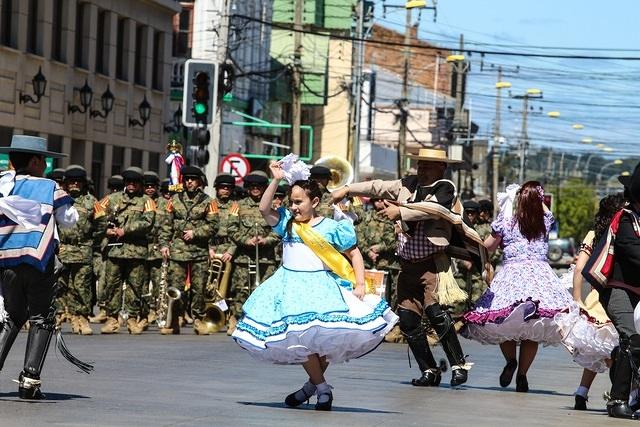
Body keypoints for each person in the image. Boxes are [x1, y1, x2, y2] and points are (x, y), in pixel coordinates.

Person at [232, 161, 397, 411]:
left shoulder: (331, 227)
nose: (294, 206)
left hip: (321, 286)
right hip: (290, 286)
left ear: (315, 202)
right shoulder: (287, 222)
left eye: (299, 202)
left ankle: (313, 387)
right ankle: (321, 389)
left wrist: (361, 283)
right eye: (292, 201)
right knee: (303, 338)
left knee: (323, 340)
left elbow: (354, 254)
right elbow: (264, 207)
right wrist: (275, 179)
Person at [331, 148, 488, 387]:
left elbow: (436, 210)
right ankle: (430, 370)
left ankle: (458, 364)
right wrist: (348, 188)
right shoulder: (408, 183)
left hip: (434, 265)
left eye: (428, 166)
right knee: (407, 320)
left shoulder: (445, 187)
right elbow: (378, 187)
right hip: (407, 265)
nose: (422, 170)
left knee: (437, 314)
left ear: (441, 168)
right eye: (420, 165)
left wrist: (400, 210)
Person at [463, 181, 573, 392]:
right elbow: (545, 209)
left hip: (511, 277)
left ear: (520, 201)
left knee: (502, 321)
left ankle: (511, 360)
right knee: (532, 329)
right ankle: (522, 375)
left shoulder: (507, 222)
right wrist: (535, 197)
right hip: (540, 279)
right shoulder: (544, 222)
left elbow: (487, 247)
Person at [0, 135, 79, 399]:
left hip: (6, 260)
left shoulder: (2, 183)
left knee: (11, 316)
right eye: (43, 160)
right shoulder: (49, 186)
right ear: (34, 161)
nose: (45, 165)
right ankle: (30, 381)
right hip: (37, 260)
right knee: (41, 318)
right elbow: (69, 220)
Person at [555, 194, 623, 410]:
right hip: (616, 297)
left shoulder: (594, 235)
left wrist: (577, 300)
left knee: (598, 350)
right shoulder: (623, 232)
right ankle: (620, 394)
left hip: (595, 300)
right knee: (615, 352)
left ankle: (581, 393)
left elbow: (580, 269)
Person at [595, 165, 640, 419]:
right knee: (631, 340)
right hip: (618, 289)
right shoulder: (625, 218)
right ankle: (617, 400)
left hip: (637, 291)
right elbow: (633, 252)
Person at [159, 166, 220, 335]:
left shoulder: (209, 201)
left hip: (198, 251)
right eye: (186, 179)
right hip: (178, 251)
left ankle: (198, 320)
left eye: (192, 179)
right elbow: (166, 225)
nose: (189, 182)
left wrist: (196, 233)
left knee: (198, 288)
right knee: (175, 287)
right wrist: (164, 244)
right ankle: (174, 320)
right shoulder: (174, 200)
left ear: (200, 181)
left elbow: (214, 226)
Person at [97, 167, 156, 334]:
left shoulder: (147, 201)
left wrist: (126, 230)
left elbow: (148, 222)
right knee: (112, 285)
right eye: (128, 182)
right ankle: (112, 319)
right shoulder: (111, 199)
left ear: (140, 184)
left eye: (135, 183)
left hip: (136, 251)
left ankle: (132, 319)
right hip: (115, 251)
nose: (131, 185)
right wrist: (105, 230)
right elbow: (97, 214)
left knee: (135, 286)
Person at [229, 171, 280, 328]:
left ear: (265, 188)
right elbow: (231, 228)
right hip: (244, 257)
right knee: (241, 290)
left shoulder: (273, 206)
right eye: (252, 186)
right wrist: (245, 240)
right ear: (247, 188)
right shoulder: (237, 206)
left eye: (259, 186)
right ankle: (238, 320)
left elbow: (278, 229)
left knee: (266, 291)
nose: (256, 189)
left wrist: (266, 240)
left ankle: (263, 322)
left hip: (266, 258)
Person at [56, 165, 99, 336]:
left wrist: (91, 240)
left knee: (82, 287)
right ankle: (58, 316)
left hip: (83, 250)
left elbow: (101, 224)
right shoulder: (59, 199)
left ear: (83, 184)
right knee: (61, 285)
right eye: (71, 182)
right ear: (66, 184)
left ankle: (81, 317)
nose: (74, 184)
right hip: (63, 249)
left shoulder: (92, 201)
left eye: (78, 182)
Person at [209, 174, 240, 334]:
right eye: (222, 187)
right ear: (216, 188)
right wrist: (209, 248)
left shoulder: (236, 206)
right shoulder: (209, 204)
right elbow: (203, 226)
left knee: (231, 288)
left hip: (230, 250)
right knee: (210, 288)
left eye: (228, 188)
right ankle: (209, 317)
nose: (225, 190)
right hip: (212, 249)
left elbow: (239, 231)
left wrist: (231, 250)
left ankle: (231, 319)